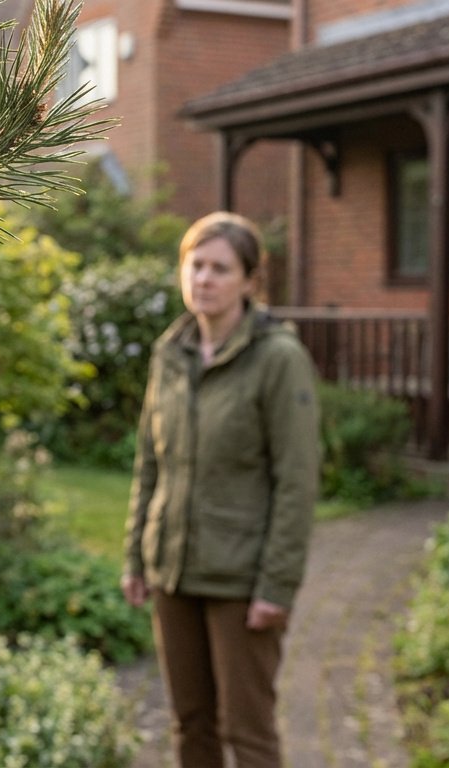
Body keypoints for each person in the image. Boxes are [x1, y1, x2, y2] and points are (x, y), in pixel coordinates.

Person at [121, 211, 320, 768]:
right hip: (173, 570)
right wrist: (137, 556)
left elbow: (297, 481)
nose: (204, 279)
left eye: (220, 269)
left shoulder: (278, 360)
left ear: (250, 282)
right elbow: (149, 462)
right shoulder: (170, 353)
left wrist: (276, 586)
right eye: (195, 265)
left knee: (248, 732)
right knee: (191, 725)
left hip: (241, 579)